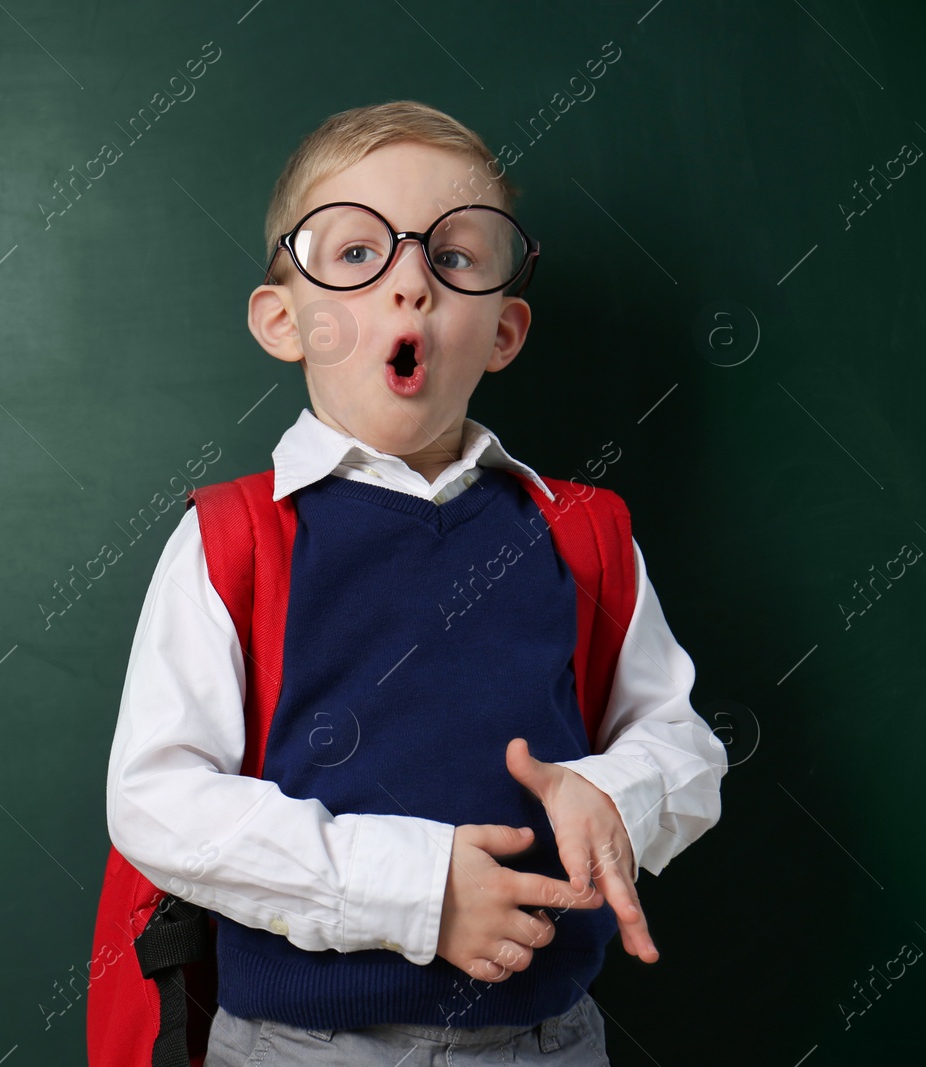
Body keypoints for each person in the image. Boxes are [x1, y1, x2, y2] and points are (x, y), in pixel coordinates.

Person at [103, 100, 727, 1065]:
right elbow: (157, 799)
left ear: (506, 331)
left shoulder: (582, 537)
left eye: (456, 256)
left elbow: (681, 741)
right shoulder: (233, 540)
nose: (411, 285)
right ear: (283, 320)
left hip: (546, 1039)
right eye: (356, 254)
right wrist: (421, 890)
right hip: (299, 1043)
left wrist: (618, 793)